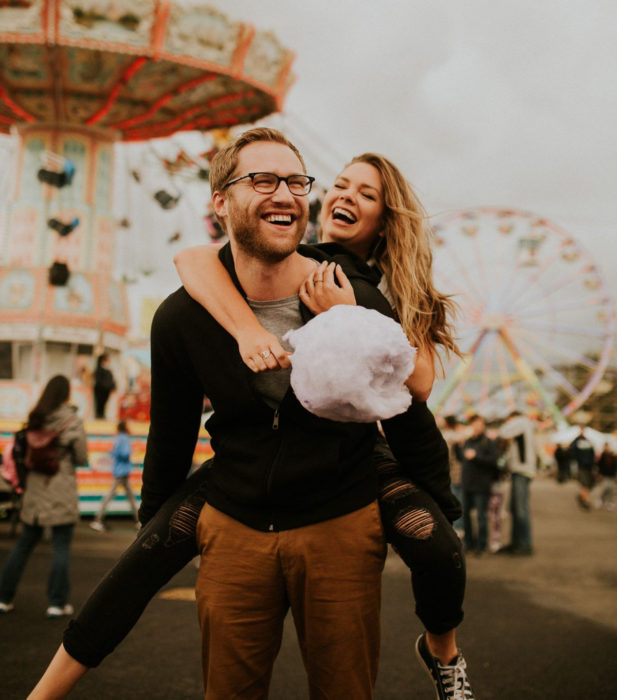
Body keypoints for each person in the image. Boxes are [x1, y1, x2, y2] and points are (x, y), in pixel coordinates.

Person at [29, 131, 471, 700]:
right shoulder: (187, 311)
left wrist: (440, 498)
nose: (287, 193)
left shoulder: (353, 290)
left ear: (386, 221)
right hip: (238, 495)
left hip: (344, 489)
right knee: (137, 582)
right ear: (219, 201)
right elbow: (171, 426)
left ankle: (444, 653)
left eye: (295, 182)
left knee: (433, 555)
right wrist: (154, 526)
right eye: (264, 180)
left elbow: (415, 395)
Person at [0, 375, 88, 618]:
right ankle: (56, 604)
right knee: (61, 546)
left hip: (35, 489)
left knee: (24, 544)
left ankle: (4, 598)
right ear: (67, 394)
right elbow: (81, 457)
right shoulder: (72, 420)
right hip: (61, 489)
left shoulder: (35, 417)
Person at [497, 411, 537, 555]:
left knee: (520, 508)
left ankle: (525, 544)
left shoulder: (522, 422)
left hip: (522, 471)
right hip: (519, 471)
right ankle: (516, 542)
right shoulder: (523, 427)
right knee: (514, 508)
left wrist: (506, 424)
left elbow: (503, 432)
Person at [90, 421, 139, 532]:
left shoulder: (117, 438)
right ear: (125, 427)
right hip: (123, 471)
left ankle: (139, 520)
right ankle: (98, 520)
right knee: (114, 496)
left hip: (118, 470)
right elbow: (125, 453)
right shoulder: (125, 438)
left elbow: (113, 453)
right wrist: (132, 451)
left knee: (129, 497)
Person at [460, 415, 499, 555]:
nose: (477, 426)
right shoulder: (468, 441)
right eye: (474, 424)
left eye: (479, 424)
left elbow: (493, 461)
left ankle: (481, 545)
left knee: (481, 516)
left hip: (481, 485)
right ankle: (469, 543)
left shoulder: (488, 442)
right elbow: (461, 458)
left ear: (483, 425)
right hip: (467, 484)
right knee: (465, 515)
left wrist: (476, 456)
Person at [441, 415, 465, 538]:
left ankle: (458, 527)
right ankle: (460, 526)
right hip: (459, 472)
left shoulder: (447, 436)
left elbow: (448, 457)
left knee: (455, 499)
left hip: (452, 472)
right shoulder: (459, 435)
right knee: (459, 498)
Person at [569, 426, 596, 510]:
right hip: (582, 466)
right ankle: (585, 500)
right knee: (585, 484)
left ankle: (582, 496)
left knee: (590, 484)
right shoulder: (576, 441)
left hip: (589, 466)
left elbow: (592, 453)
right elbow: (571, 452)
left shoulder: (588, 441)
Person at [591, 443, 617, 510]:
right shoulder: (602, 455)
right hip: (604, 475)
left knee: (611, 489)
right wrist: (599, 474)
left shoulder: (613, 455)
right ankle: (601, 500)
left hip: (611, 475)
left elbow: (615, 465)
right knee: (605, 488)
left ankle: (610, 502)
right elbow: (599, 465)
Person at [93, 353, 116, 420]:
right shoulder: (98, 369)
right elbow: (98, 380)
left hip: (107, 390)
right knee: (99, 404)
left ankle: (102, 414)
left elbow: (111, 380)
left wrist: (112, 387)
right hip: (100, 390)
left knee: (104, 403)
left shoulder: (108, 370)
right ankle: (99, 415)